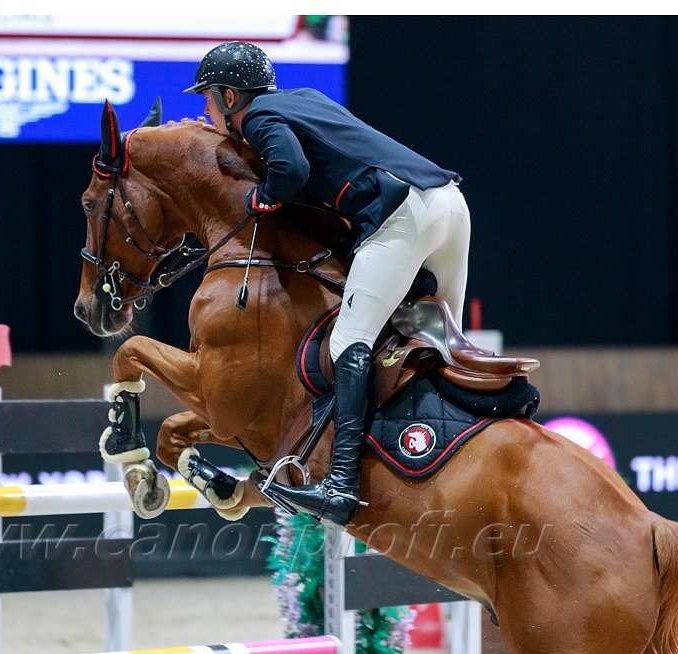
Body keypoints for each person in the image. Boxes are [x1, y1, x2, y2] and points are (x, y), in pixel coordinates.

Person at [185, 41, 471, 530]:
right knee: (441, 344)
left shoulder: (257, 118)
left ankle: (340, 484)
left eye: (208, 98)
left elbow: (291, 170)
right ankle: (448, 453)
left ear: (232, 96)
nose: (205, 108)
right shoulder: (305, 98)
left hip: (404, 215)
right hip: (450, 205)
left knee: (348, 342)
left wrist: (263, 198)